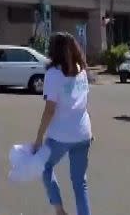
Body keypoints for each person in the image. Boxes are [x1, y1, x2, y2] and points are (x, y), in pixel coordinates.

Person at [32, 32, 93, 215]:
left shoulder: (53, 73)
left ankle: (59, 210)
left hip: (60, 134)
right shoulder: (81, 69)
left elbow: (50, 109)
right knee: (80, 182)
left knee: (44, 165)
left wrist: (38, 137)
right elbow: (83, 103)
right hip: (83, 133)